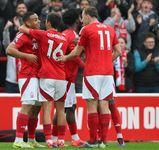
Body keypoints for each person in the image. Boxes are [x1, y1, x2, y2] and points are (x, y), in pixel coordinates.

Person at [62, 6, 122, 148]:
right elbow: (118, 50)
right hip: (107, 73)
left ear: (88, 16)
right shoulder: (110, 29)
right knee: (104, 105)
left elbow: (76, 53)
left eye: (83, 16)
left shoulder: (86, 30)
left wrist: (64, 58)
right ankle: (104, 141)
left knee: (92, 107)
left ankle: (93, 140)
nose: (82, 19)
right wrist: (108, 61)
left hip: (92, 73)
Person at [19, 12, 71, 148]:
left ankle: (48, 141)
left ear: (48, 23)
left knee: (47, 110)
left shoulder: (43, 34)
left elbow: (22, 29)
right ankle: (60, 140)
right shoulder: (64, 38)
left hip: (46, 76)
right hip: (61, 76)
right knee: (61, 110)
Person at [6, 12, 44, 148]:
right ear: (27, 23)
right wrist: (26, 55)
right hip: (28, 75)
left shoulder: (37, 35)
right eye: (35, 20)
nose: (39, 21)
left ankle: (32, 140)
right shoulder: (22, 35)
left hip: (39, 75)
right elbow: (9, 50)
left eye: (38, 19)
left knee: (37, 107)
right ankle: (17, 140)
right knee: (27, 105)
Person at [51, 8, 85, 147]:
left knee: (70, 107)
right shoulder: (73, 35)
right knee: (63, 109)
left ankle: (74, 138)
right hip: (66, 77)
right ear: (76, 20)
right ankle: (55, 140)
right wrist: (86, 67)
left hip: (65, 76)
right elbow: (74, 55)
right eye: (80, 18)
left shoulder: (64, 33)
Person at [3, 20, 19, 93]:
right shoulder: (10, 49)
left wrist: (19, 27)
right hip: (11, 82)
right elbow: (6, 41)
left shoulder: (28, 50)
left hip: (23, 81)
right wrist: (6, 29)